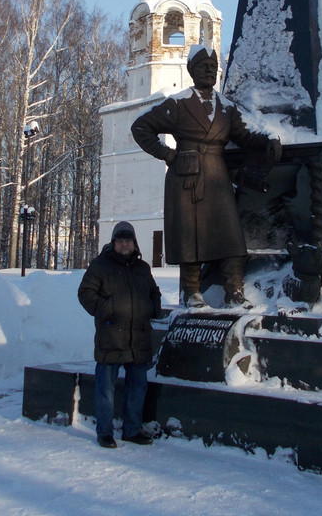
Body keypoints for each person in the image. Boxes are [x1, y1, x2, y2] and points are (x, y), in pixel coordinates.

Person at [131, 45, 280, 308]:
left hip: (217, 175)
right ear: (192, 71)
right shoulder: (178, 103)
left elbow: (243, 135)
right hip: (186, 177)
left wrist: (267, 140)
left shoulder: (225, 106)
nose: (210, 71)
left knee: (231, 236)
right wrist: (168, 155)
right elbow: (141, 127)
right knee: (190, 237)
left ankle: (234, 292)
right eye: (203, 66)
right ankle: (191, 292)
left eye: (213, 66)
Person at [77, 220, 162, 448]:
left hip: (138, 337)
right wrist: (107, 310)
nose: (125, 244)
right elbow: (85, 293)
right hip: (111, 336)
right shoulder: (100, 266)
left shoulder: (142, 268)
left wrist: (152, 308)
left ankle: (132, 430)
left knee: (137, 388)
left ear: (134, 243)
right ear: (113, 242)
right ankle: (104, 433)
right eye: (121, 240)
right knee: (106, 389)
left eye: (129, 240)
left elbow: (154, 292)